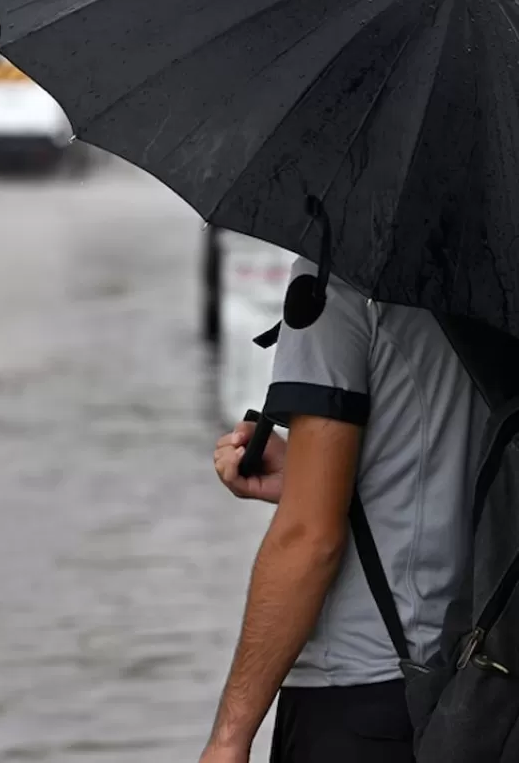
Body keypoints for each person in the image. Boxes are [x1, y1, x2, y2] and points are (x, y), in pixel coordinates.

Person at [197, 257, 487, 763]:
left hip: (355, 696)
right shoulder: (498, 280)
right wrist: (307, 476)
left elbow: (309, 539)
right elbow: (446, 468)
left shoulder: (334, 280)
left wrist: (229, 737)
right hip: (475, 687)